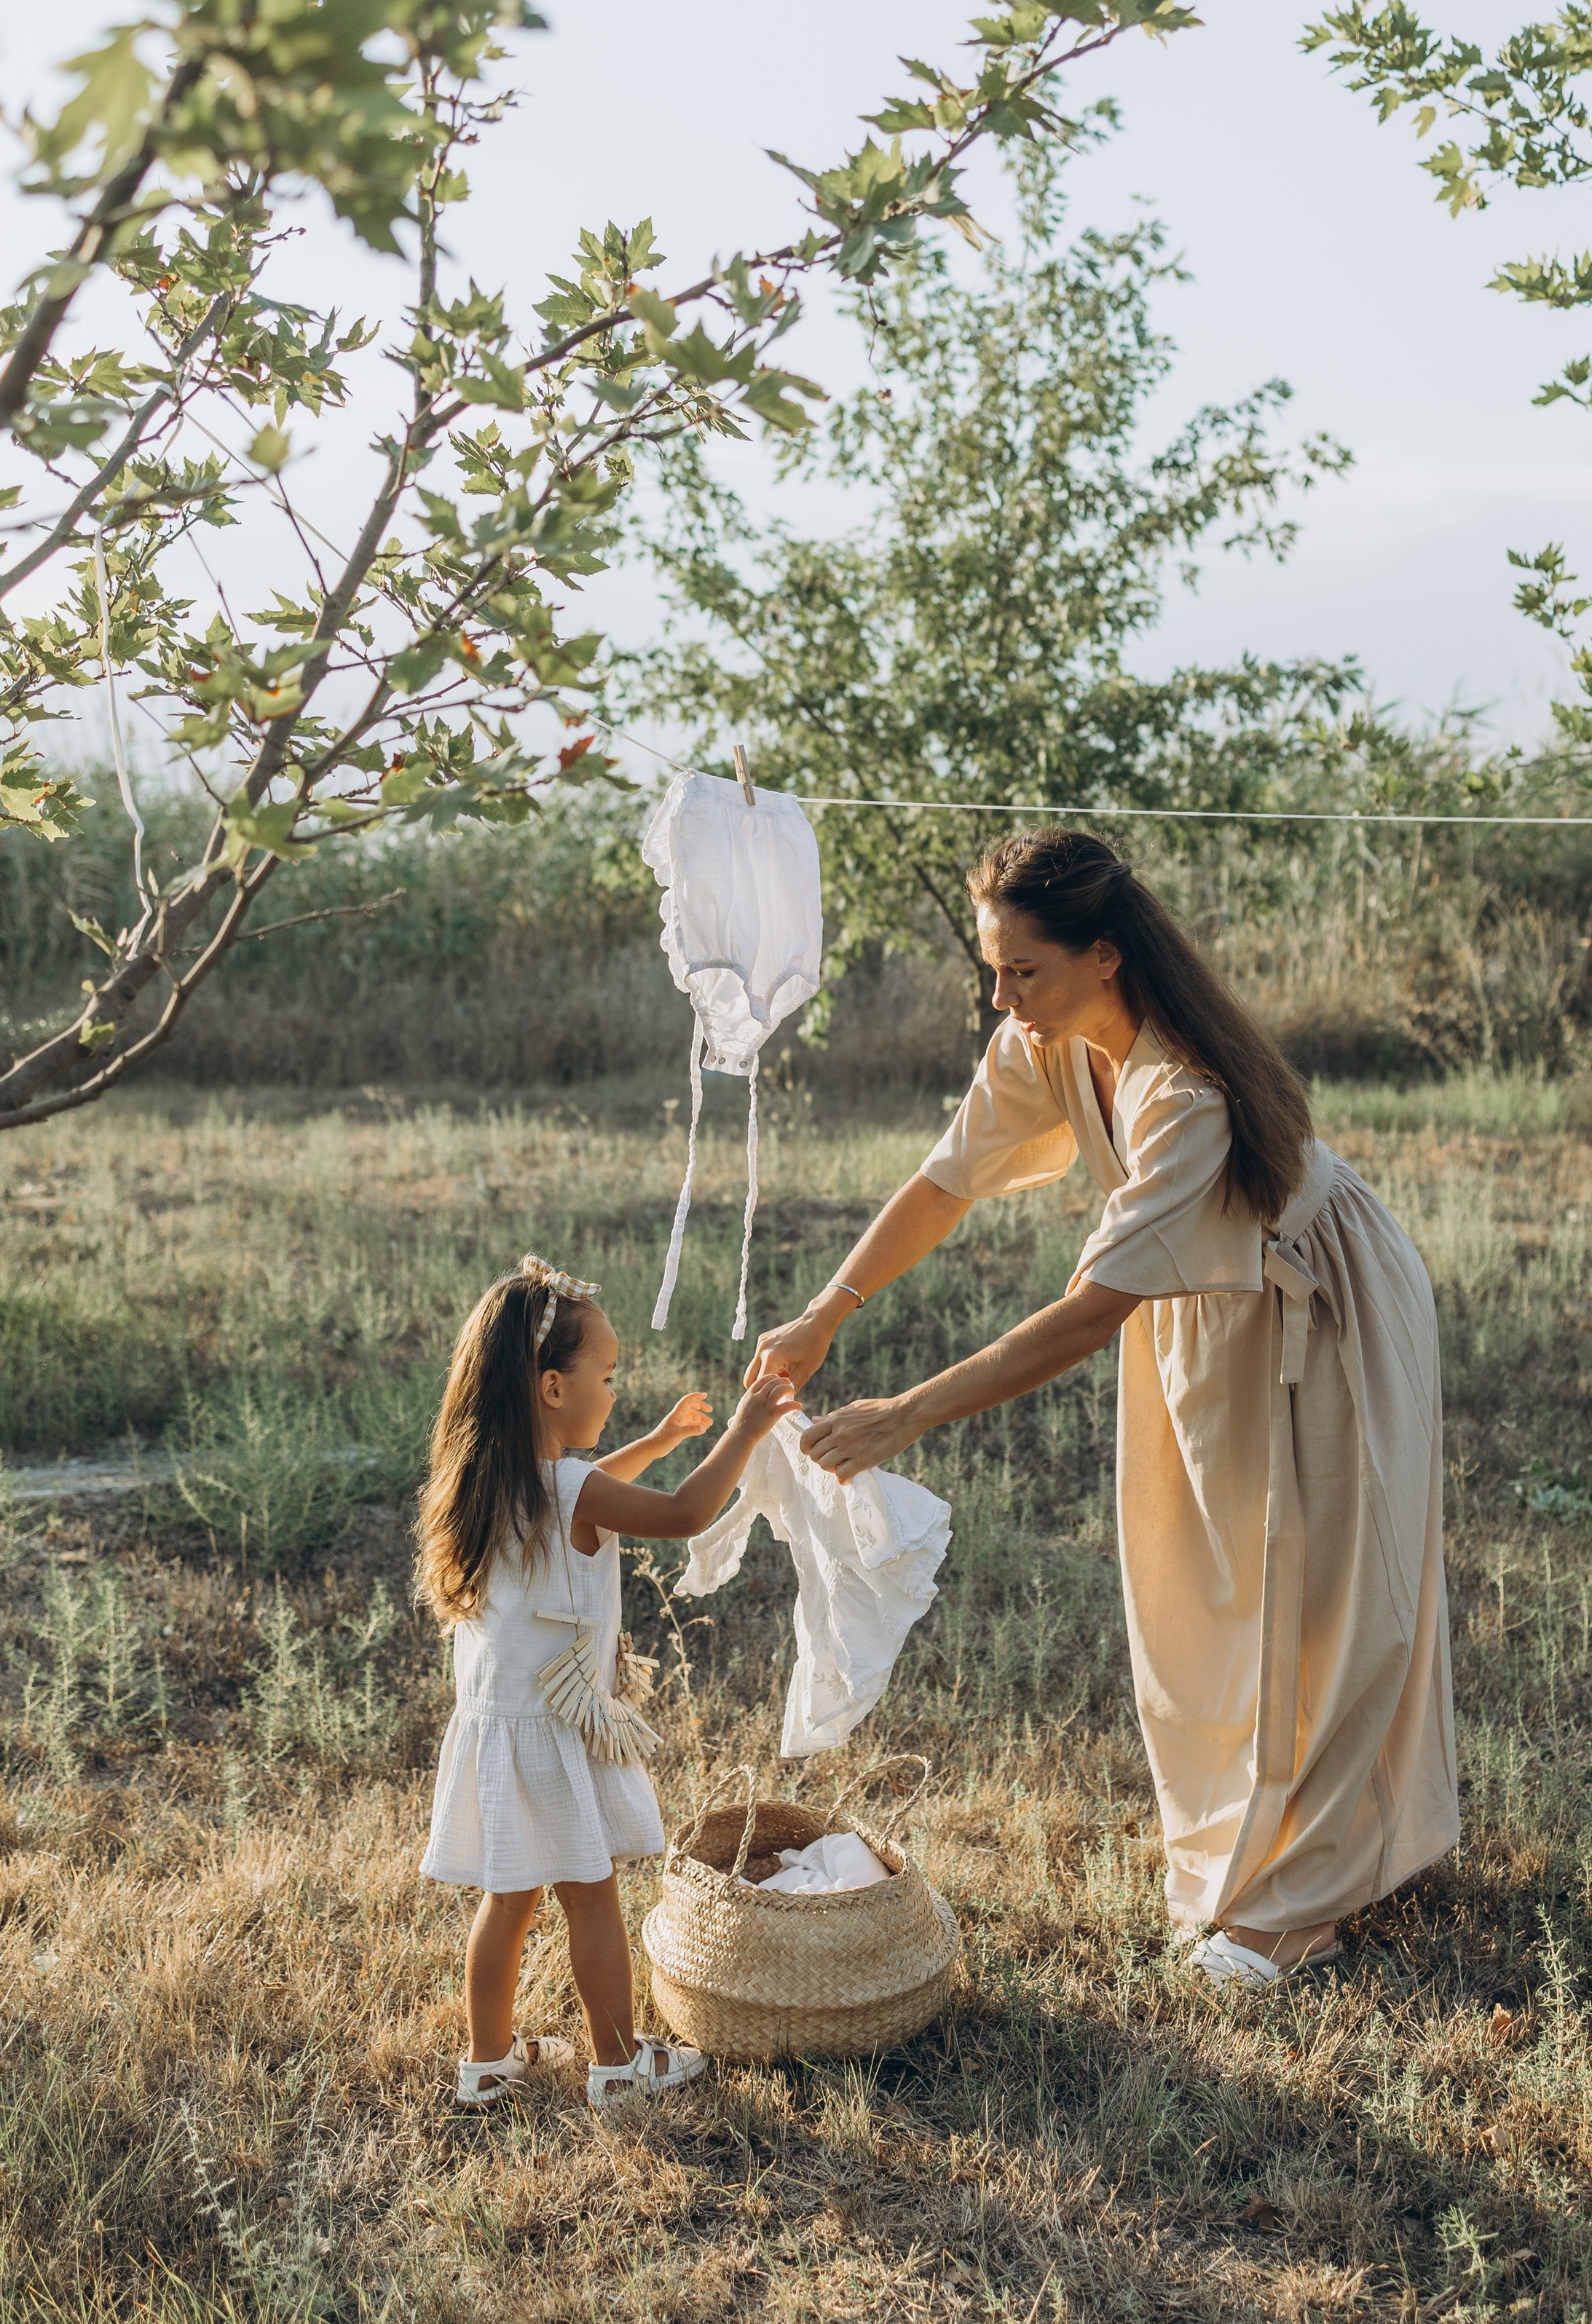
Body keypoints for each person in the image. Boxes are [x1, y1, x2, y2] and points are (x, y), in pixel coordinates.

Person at [748, 830, 1457, 1991]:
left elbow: (1088, 1314)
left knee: (1325, 1591)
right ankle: (1257, 1849)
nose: (1002, 995)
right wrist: (831, 1310)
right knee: (1206, 1592)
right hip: (1199, 1313)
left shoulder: (1190, 1093)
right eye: (994, 969)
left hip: (1325, 1310)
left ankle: (1306, 1906)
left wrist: (907, 1413)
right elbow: (945, 1180)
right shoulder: (1051, 1041)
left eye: (1024, 970)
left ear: (1107, 958)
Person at [417, 1252, 795, 2106]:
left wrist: (658, 1441)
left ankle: (486, 2065)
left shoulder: (485, 1479)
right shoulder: (570, 1488)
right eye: (607, 1374)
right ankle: (619, 2069)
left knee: (506, 1898)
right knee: (592, 1898)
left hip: (496, 1725)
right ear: (553, 1388)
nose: (614, 1389)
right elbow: (685, 1514)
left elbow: (581, 1490)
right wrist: (745, 1430)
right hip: (556, 1731)